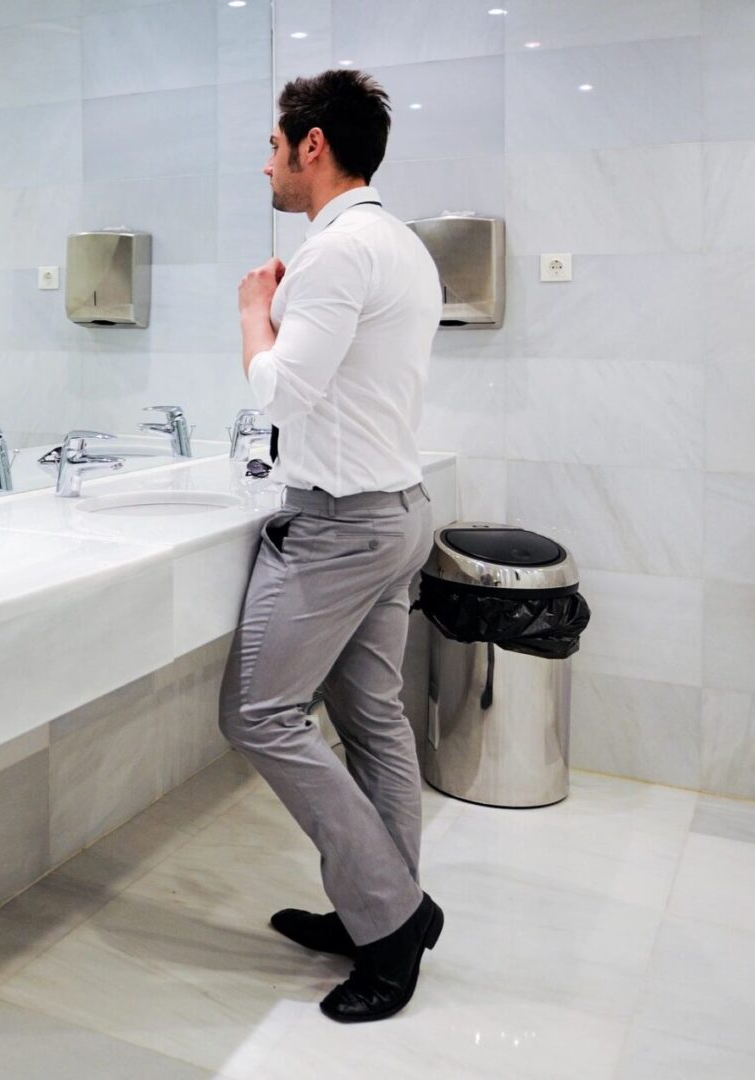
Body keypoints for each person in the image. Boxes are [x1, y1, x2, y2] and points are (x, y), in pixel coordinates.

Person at [219, 68, 445, 1023]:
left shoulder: (336, 251)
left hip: (341, 527)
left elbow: (281, 392)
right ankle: (380, 911)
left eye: (275, 144)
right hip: (394, 510)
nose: (266, 162)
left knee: (260, 716)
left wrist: (249, 313)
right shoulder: (401, 244)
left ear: (314, 145)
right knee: (373, 720)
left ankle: (388, 919)